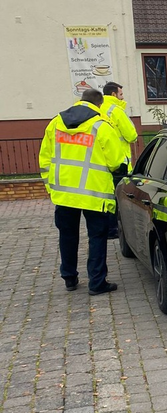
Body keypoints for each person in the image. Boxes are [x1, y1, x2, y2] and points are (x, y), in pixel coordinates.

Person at [39, 89, 125, 295]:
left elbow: (45, 159)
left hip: (64, 194)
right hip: (94, 194)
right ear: (98, 105)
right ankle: (96, 283)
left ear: (80, 102)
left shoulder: (55, 123)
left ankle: (69, 277)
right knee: (97, 237)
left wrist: (51, 187)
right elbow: (116, 162)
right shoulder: (101, 126)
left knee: (67, 235)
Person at [101, 82, 138, 240]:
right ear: (114, 95)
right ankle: (115, 229)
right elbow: (131, 135)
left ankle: (106, 229)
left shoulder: (97, 108)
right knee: (119, 196)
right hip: (119, 161)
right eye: (121, 94)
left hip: (101, 161)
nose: (123, 97)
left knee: (105, 196)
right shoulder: (116, 110)